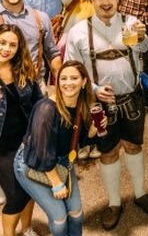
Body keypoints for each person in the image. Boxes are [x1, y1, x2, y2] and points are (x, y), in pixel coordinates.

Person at [63, 0, 148, 229]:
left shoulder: (130, 23)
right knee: (108, 151)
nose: (106, 2)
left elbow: (145, 48)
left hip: (132, 97)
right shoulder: (78, 32)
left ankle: (140, 194)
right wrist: (93, 89)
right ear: (92, 1)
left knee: (134, 145)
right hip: (100, 104)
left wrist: (142, 36)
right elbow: (72, 69)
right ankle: (114, 203)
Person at [13, 61, 104, 236]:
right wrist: (56, 183)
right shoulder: (47, 108)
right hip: (32, 162)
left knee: (76, 214)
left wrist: (94, 129)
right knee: (59, 218)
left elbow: (79, 141)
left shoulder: (81, 104)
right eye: (63, 78)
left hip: (62, 160)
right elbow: (41, 152)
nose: (68, 83)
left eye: (74, 78)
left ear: (84, 82)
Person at [0, 25, 41, 236]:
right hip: (2, 148)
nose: (6, 48)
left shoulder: (23, 69)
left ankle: (27, 228)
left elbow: (38, 102)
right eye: (2, 42)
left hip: (26, 141)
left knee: (31, 187)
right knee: (15, 195)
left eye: (12, 44)